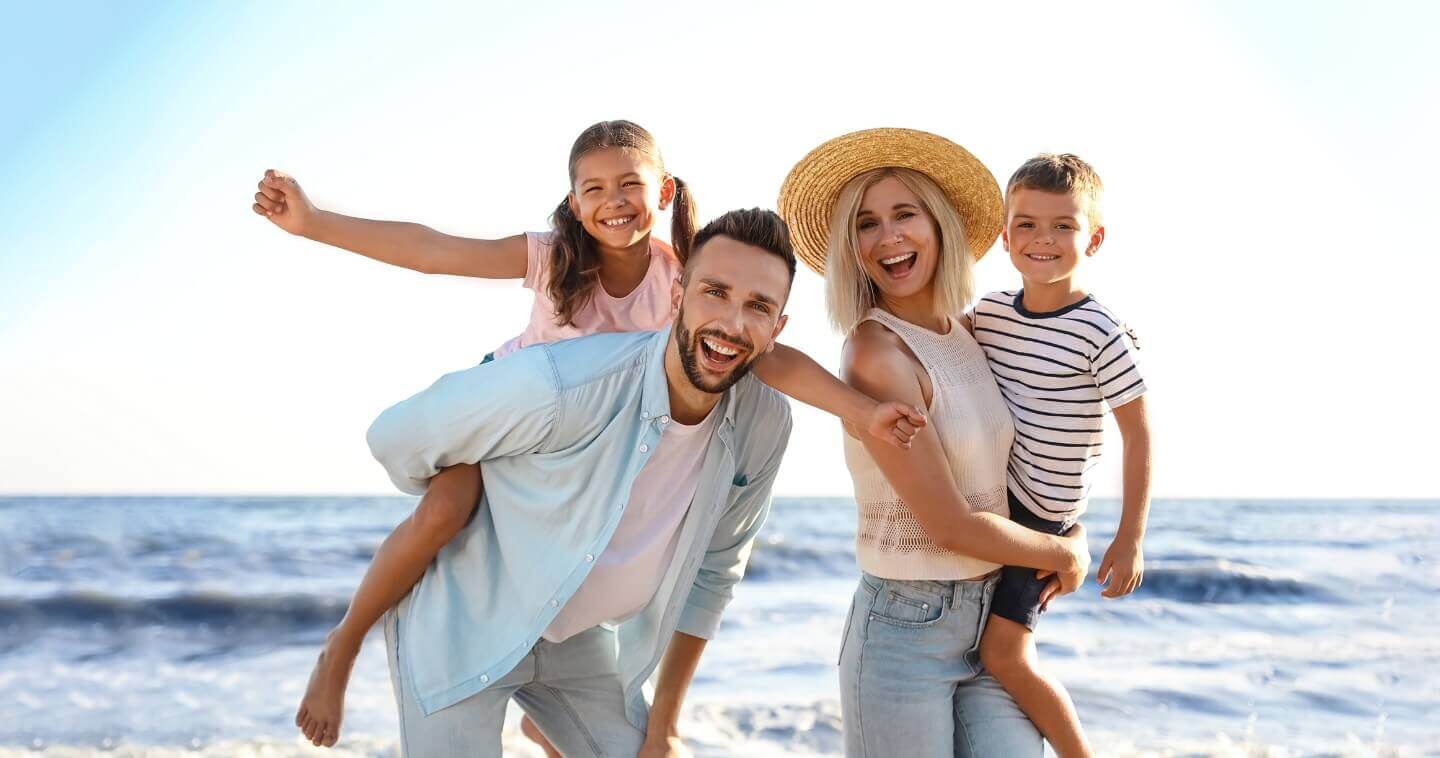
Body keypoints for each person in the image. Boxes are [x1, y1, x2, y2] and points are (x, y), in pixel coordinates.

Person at [249, 120, 923, 748]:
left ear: (662, 192)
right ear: (572, 202)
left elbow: (770, 358)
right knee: (446, 512)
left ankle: (556, 699)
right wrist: (313, 222)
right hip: (513, 413)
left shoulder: (684, 278)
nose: (614, 202)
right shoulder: (554, 259)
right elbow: (433, 252)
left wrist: (861, 414)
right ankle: (343, 645)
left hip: (602, 450)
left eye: (630, 185)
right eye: (594, 189)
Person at [366, 208, 802, 755]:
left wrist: (664, 726)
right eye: (714, 292)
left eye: (758, 306)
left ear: (778, 327)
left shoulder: (764, 424)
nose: (732, 324)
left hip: (580, 642)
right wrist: (462, 492)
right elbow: (395, 437)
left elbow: (714, 572)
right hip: (462, 618)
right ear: (677, 293)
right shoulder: (560, 384)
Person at [777, 128, 1092, 757]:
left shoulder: (970, 332)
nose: (888, 237)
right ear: (852, 248)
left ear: (939, 224)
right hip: (902, 638)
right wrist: (1062, 556)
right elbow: (949, 524)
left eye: (904, 214)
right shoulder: (875, 352)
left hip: (989, 624)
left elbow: (1026, 464)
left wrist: (1071, 528)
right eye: (866, 224)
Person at [968, 153, 1153, 757]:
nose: (1042, 239)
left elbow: (1140, 434)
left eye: (1063, 226)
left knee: (1004, 653)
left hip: (1042, 513)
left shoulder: (1101, 331)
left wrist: (1129, 537)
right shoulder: (992, 313)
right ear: (1004, 236)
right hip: (995, 494)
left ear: (1093, 239)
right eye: (1026, 224)